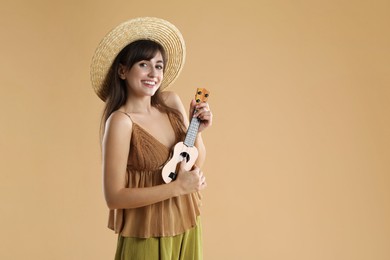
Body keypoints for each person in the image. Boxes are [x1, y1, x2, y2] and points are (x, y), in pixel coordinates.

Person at [90, 17, 213, 259]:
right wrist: (177, 188)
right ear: (123, 70)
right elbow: (113, 197)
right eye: (144, 64)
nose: (153, 73)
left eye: (158, 66)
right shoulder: (121, 122)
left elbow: (194, 163)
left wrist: (197, 132)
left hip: (187, 223)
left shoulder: (171, 102)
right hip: (146, 232)